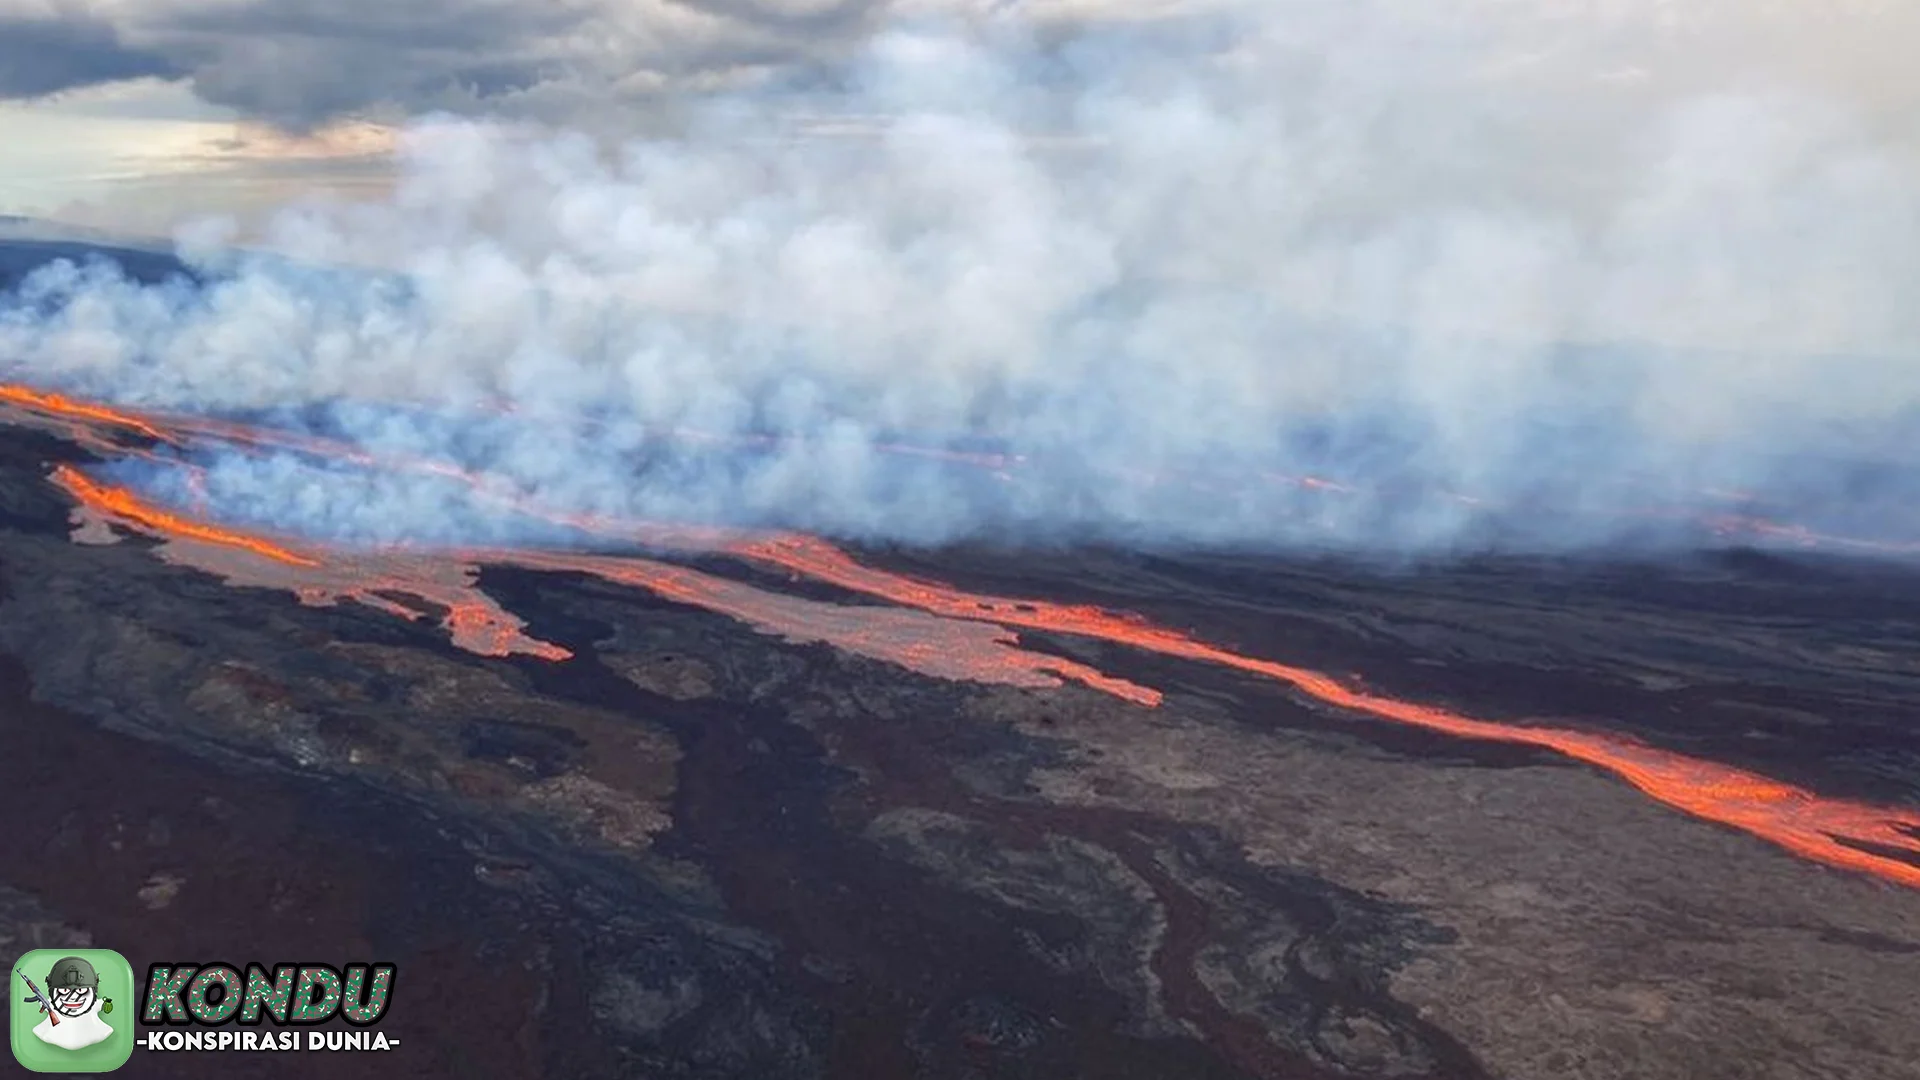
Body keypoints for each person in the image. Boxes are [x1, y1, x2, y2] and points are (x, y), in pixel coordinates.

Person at [28, 956, 114, 1051]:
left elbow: (105, 1005)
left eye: (81, 990)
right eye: (64, 990)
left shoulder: (101, 1031)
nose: (72, 997)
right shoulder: (44, 1032)